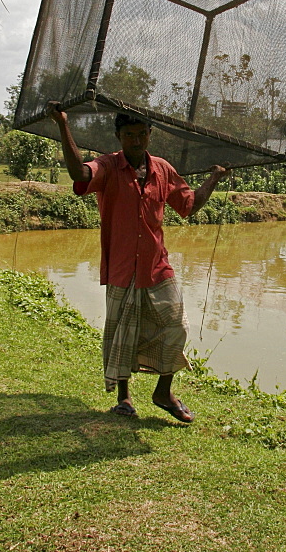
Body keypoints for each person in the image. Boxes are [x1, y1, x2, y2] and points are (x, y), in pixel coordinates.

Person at [48, 103, 226, 423]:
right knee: (121, 332)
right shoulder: (108, 166)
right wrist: (63, 124)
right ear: (118, 136)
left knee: (176, 325)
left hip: (157, 266)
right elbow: (79, 174)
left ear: (149, 134)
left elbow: (189, 205)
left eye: (141, 134)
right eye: (129, 135)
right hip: (121, 266)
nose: (136, 141)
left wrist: (214, 177)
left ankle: (163, 391)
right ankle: (124, 398)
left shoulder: (162, 169)